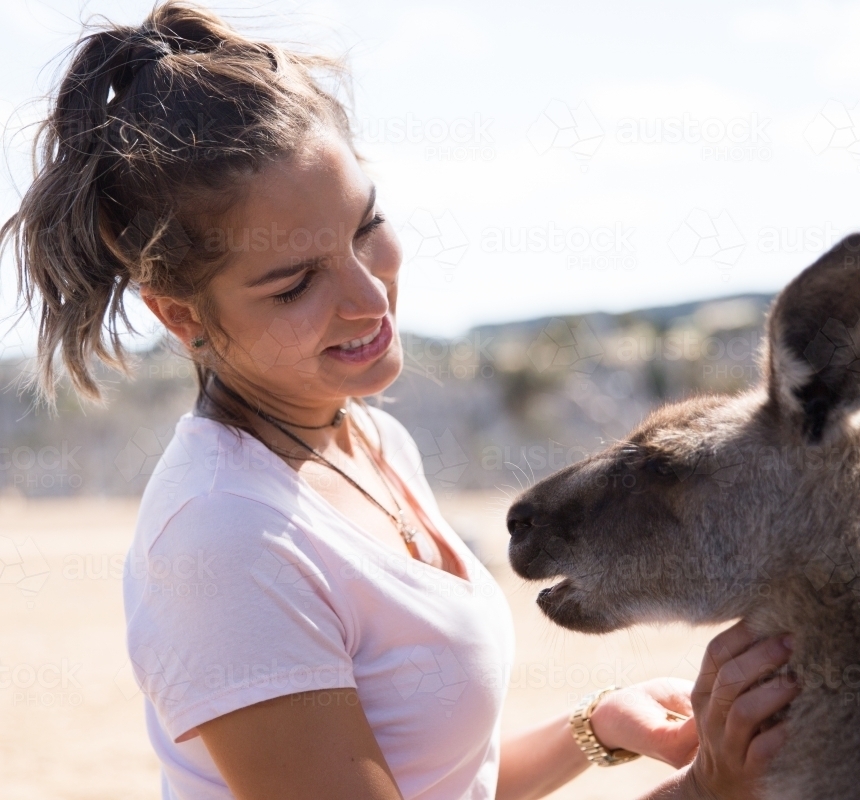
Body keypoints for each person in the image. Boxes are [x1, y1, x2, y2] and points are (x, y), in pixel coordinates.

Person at [1, 3, 798, 798]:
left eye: (365, 225)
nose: (367, 295)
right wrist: (708, 789)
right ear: (178, 315)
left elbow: (439, 779)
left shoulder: (367, 441)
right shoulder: (226, 541)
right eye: (296, 283)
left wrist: (593, 729)